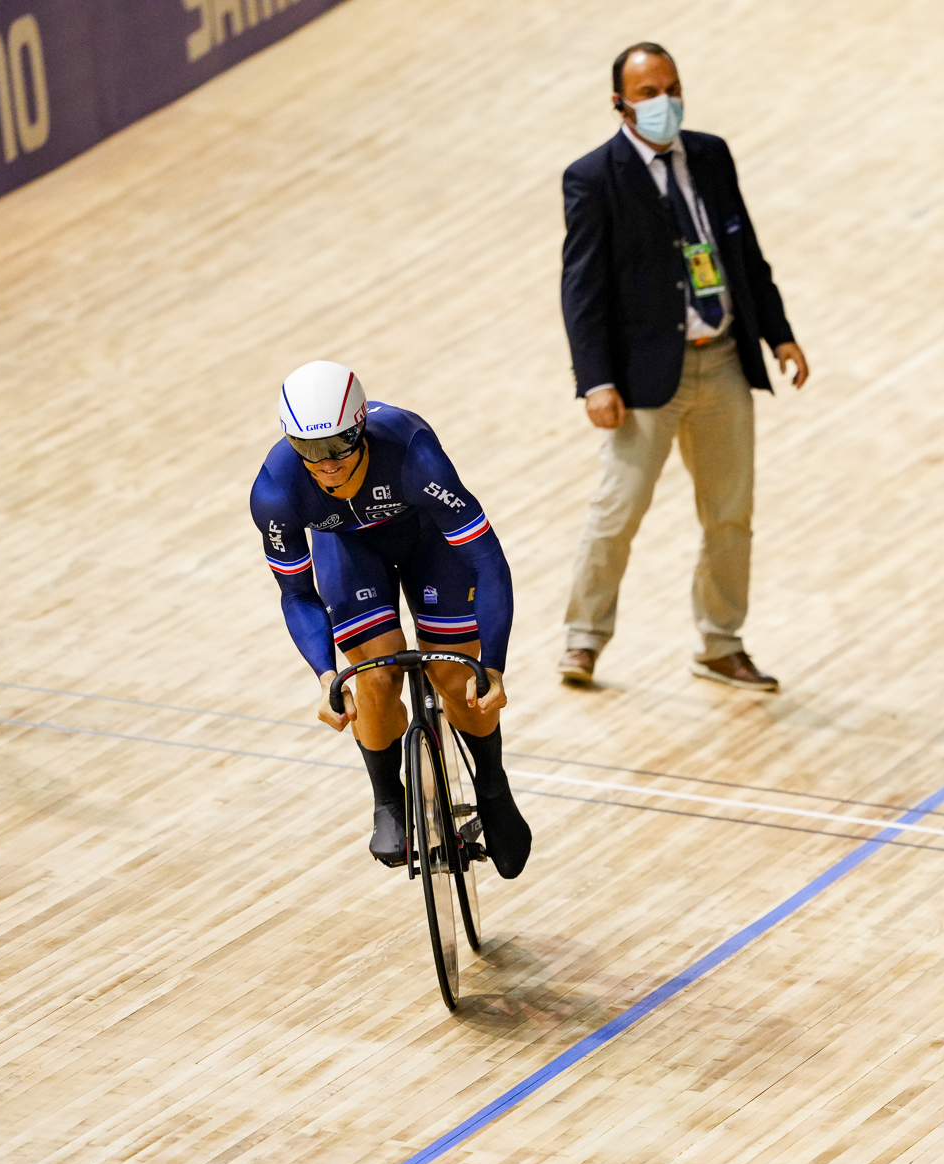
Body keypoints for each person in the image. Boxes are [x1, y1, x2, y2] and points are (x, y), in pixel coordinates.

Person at [557, 40, 808, 693]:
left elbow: (743, 251)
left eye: (670, 86)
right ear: (619, 103)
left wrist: (779, 335)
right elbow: (581, 289)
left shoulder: (711, 154)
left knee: (730, 513)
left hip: (723, 358)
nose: (663, 100)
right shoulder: (592, 178)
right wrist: (596, 380)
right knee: (617, 511)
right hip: (645, 380)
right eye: (647, 92)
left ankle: (721, 644)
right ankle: (583, 638)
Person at [252, 360, 533, 878]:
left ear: (360, 428)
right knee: (374, 679)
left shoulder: (412, 453)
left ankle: (493, 785)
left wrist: (492, 666)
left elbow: (487, 561)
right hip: (350, 549)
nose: (327, 463)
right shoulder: (276, 489)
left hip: (429, 540)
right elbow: (296, 593)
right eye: (310, 450)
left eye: (338, 445)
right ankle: (387, 798)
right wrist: (324, 675)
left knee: (455, 674)